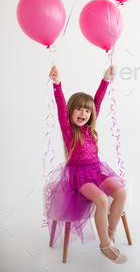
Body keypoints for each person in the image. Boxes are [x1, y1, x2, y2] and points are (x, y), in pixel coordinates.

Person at [44, 65, 128, 264]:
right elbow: (60, 106)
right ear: (71, 112)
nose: (84, 113)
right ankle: (105, 246)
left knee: (121, 193)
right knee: (102, 200)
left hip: (97, 170)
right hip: (79, 176)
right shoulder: (69, 130)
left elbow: (97, 102)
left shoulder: (90, 129)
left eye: (87, 111)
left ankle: (110, 233)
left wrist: (105, 80)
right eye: (79, 109)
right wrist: (57, 84)